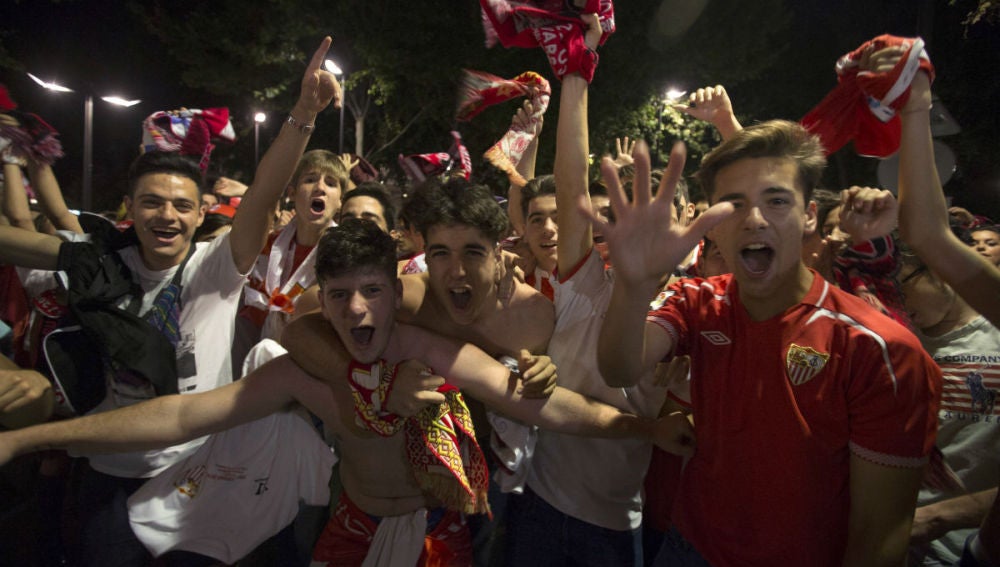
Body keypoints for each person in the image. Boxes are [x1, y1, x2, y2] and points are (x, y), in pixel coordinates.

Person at [0, 219, 693, 565]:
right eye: (340, 295)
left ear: (397, 292)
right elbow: (180, 413)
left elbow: (550, 406)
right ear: (320, 302)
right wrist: (30, 436)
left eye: (372, 292)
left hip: (437, 534)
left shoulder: (434, 351)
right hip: (352, 527)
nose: (358, 310)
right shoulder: (309, 365)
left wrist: (646, 430)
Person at [0, 36, 341, 566]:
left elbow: (263, 194)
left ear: (200, 213)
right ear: (129, 210)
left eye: (182, 205)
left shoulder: (216, 268)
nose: (167, 216)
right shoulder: (95, 264)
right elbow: (19, 232)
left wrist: (302, 113)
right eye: (152, 202)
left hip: (196, 475)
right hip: (104, 476)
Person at [591, 119, 941, 565]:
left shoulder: (880, 349)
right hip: (690, 548)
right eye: (733, 204)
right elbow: (619, 369)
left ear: (809, 215)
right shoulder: (697, 299)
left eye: (776, 201)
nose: (753, 219)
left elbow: (879, 534)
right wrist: (633, 285)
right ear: (712, 225)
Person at [503, 14, 674, 566]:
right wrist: (576, 67)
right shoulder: (582, 288)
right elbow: (571, 183)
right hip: (538, 508)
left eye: (661, 227)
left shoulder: (689, 317)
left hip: (617, 531)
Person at [895, 53, 1000, 567]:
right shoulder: (894, 336)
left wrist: (936, 519)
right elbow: (926, 232)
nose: (897, 300)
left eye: (905, 284)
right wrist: (915, 105)